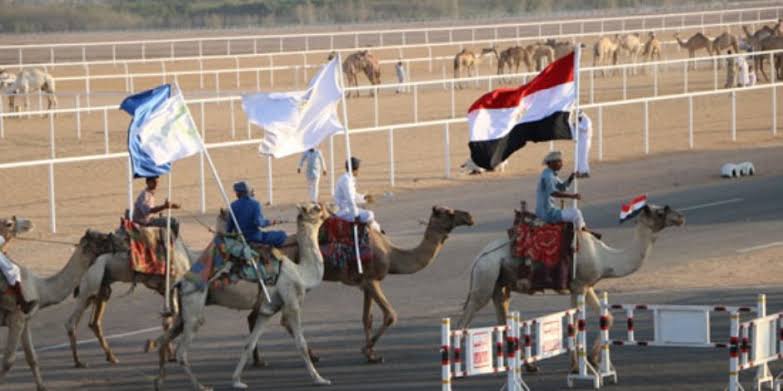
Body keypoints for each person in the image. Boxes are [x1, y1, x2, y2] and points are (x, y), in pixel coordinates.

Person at [535, 151, 599, 238]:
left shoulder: (550, 174)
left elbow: (562, 187)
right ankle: (584, 232)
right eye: (559, 161)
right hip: (548, 213)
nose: (561, 164)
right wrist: (572, 196)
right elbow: (553, 193)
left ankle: (582, 230)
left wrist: (571, 178)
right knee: (576, 213)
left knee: (572, 212)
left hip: (545, 210)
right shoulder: (548, 176)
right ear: (551, 163)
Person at [227, 181, 287, 247]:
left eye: (236, 192)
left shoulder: (232, 205)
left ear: (238, 193)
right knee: (282, 234)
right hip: (255, 238)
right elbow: (260, 223)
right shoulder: (255, 204)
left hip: (240, 239)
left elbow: (229, 227)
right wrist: (271, 222)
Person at [334, 157, 381, 232]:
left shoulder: (347, 178)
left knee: (369, 215)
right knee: (370, 214)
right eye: (358, 169)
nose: (359, 171)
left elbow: (353, 195)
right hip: (343, 211)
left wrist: (364, 198)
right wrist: (356, 215)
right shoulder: (346, 180)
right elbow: (350, 199)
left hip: (348, 209)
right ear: (355, 169)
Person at [574, 110, 593, 178]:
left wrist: (577, 125)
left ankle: (585, 172)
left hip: (586, 141)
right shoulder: (579, 121)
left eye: (579, 117)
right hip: (580, 141)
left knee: (584, 156)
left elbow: (585, 128)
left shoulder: (587, 120)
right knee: (579, 156)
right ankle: (579, 171)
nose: (578, 118)